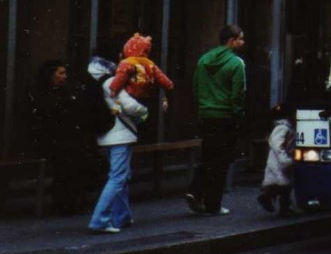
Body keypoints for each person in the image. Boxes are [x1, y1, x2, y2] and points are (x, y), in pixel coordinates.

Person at [26, 59, 103, 215]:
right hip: (53, 140)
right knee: (69, 158)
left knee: (77, 156)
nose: (64, 76)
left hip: (66, 139)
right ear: (50, 75)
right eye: (60, 73)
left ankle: (72, 198)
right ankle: (66, 200)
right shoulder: (42, 94)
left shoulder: (65, 92)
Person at [185, 24, 246, 217]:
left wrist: (202, 108)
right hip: (226, 116)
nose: (243, 42)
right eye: (240, 38)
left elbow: (196, 87)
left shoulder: (203, 60)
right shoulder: (236, 63)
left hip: (207, 115)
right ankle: (213, 204)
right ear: (231, 41)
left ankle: (196, 191)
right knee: (222, 161)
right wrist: (238, 115)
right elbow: (238, 94)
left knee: (209, 156)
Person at [87, 55, 149, 234]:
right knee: (118, 177)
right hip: (120, 135)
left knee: (121, 175)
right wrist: (144, 110)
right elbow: (130, 106)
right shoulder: (111, 81)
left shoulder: (95, 82)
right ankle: (99, 220)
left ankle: (122, 216)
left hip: (106, 135)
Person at [109, 33, 174, 104]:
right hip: (145, 96)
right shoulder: (150, 63)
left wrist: (113, 89)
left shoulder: (127, 62)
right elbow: (160, 76)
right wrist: (169, 84)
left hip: (131, 94)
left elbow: (120, 77)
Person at [256, 104, 296, 217]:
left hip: (281, 159)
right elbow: (277, 145)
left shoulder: (286, 127)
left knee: (282, 185)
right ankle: (269, 199)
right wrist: (285, 159)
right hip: (279, 161)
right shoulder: (283, 128)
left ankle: (280, 206)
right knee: (283, 185)